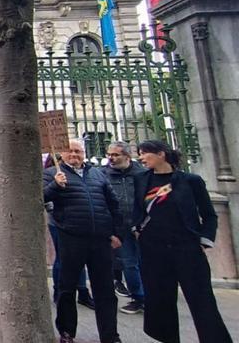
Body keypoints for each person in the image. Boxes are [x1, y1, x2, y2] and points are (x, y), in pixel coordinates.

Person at [133, 140, 232, 343]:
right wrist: (136, 229)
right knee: (161, 301)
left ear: (161, 154)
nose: (141, 158)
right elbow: (137, 209)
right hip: (154, 250)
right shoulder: (141, 179)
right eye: (139, 154)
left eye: (145, 153)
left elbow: (209, 215)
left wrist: (205, 240)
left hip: (186, 248)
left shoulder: (190, 181)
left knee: (202, 301)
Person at [43, 139, 122, 343]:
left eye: (78, 151)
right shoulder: (52, 173)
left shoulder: (97, 174)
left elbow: (113, 204)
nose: (74, 155)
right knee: (67, 287)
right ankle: (67, 332)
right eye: (70, 151)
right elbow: (40, 197)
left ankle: (110, 335)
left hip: (100, 239)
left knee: (105, 289)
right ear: (61, 154)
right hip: (71, 237)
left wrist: (117, 233)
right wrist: (55, 186)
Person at [44, 154, 94, 309]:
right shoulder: (50, 173)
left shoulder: (84, 174)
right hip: (59, 221)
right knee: (62, 258)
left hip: (78, 222)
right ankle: (59, 291)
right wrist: (56, 184)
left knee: (79, 258)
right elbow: (44, 196)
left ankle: (83, 291)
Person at [102, 142, 147, 315]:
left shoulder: (142, 174)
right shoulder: (103, 174)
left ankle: (151, 296)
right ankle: (138, 297)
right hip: (120, 226)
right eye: (109, 155)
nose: (111, 158)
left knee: (147, 263)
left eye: (115, 155)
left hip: (142, 225)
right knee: (129, 263)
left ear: (127, 157)